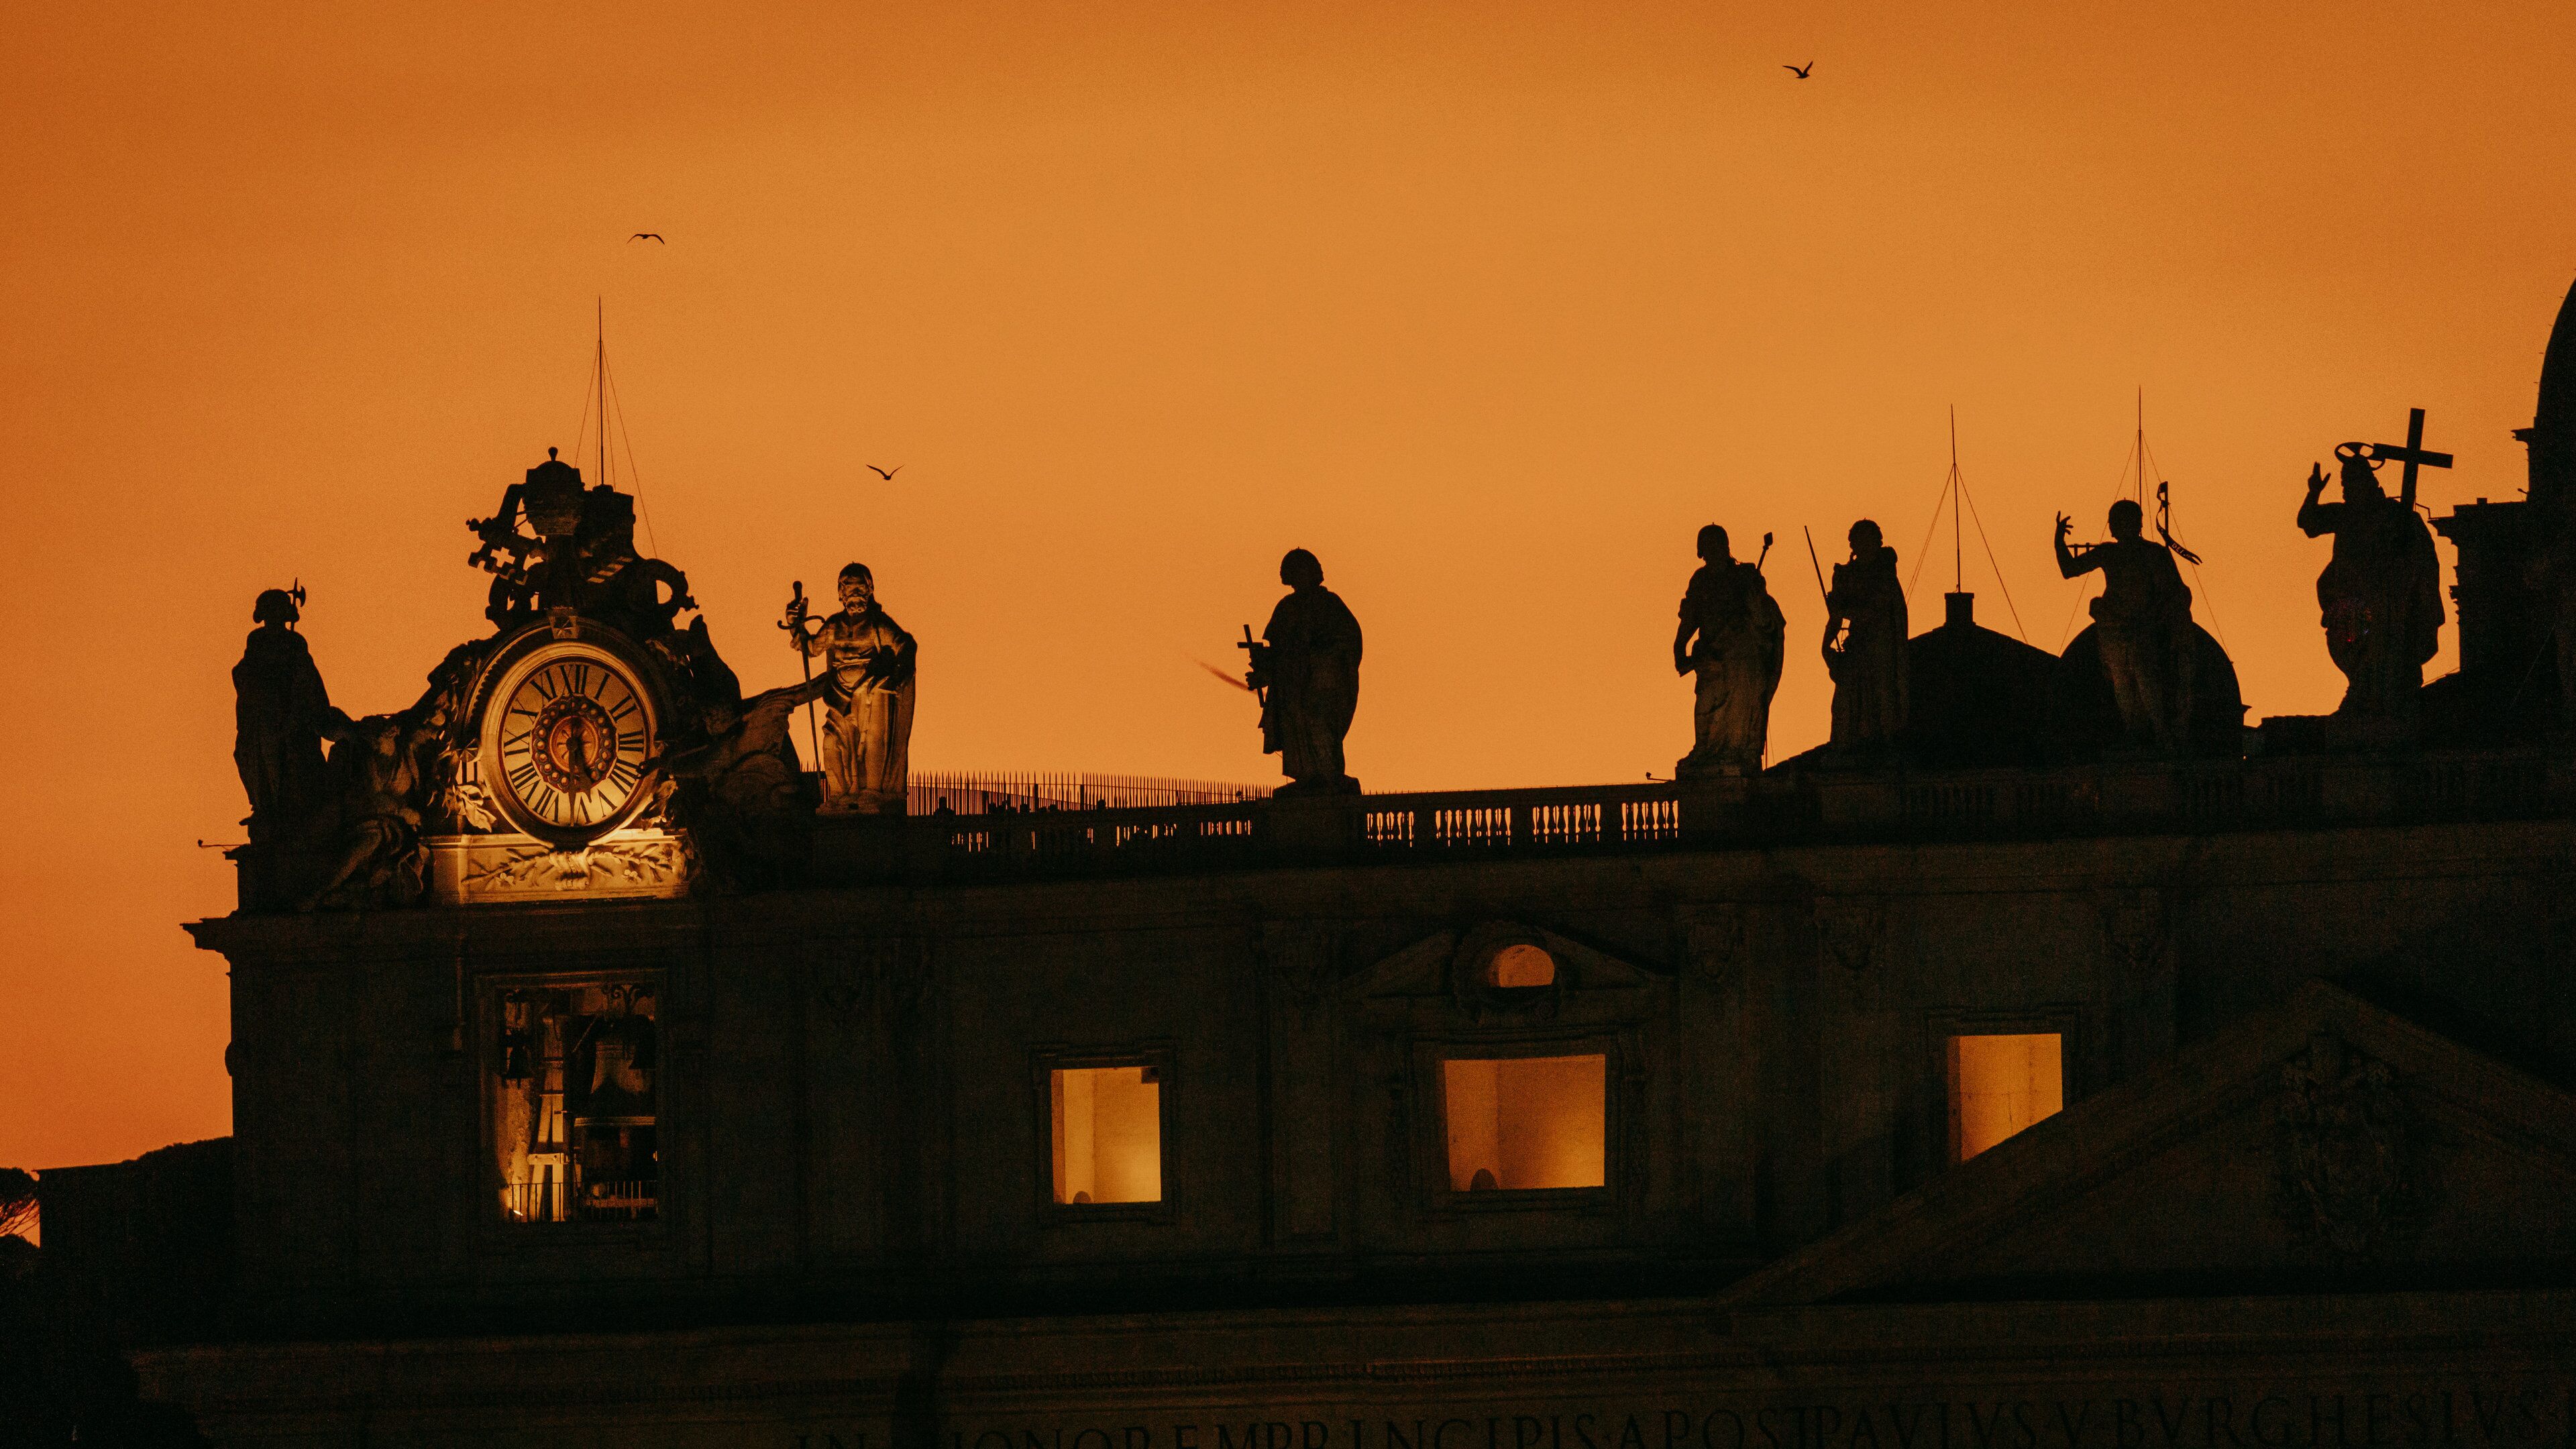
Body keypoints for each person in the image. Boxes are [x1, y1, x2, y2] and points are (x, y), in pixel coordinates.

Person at [2298, 447, 2443, 737]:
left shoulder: (2395, 516)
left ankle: (2378, 697)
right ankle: (2363, 692)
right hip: (2349, 601)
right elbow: (2309, 523)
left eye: (2350, 483)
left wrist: (2403, 574)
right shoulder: (2346, 514)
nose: (2345, 491)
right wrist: (2313, 492)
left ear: (2368, 483)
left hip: (2387, 601)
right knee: (2352, 644)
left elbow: (2422, 559)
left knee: (2381, 645)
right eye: (2343, 485)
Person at [2056, 499, 2195, 753]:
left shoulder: (2153, 554)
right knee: (2122, 683)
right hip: (2116, 631)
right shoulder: (2110, 553)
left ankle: (2160, 734)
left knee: (2145, 679)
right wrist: (2058, 542)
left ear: (2134, 523)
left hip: (2144, 630)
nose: (2112, 526)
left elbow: (2176, 593)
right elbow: (2070, 569)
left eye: (2116, 520)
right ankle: (2136, 732)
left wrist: (2154, 620)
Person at [786, 563, 917, 814]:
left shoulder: (877, 624)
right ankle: (838, 796)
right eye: (849, 587)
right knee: (831, 744)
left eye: (860, 587)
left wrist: (896, 678)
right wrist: (796, 625)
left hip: (871, 693)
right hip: (840, 697)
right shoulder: (835, 626)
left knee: (873, 742)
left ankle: (872, 794)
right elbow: (810, 648)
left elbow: (906, 645)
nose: (855, 593)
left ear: (869, 590)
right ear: (841, 593)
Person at [1244, 548, 1363, 792]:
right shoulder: (1286, 608)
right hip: (1294, 686)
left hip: (1322, 682)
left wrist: (1320, 656)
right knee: (1296, 726)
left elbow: (1349, 643)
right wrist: (1263, 668)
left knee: (1319, 724)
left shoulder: (1329, 604)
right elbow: (1278, 652)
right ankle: (1308, 776)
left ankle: (1329, 775)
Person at [232, 588, 346, 841]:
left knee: (285, 761)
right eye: (269, 612)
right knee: (248, 756)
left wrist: (294, 702)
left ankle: (277, 808)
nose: (274, 618)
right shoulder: (257, 640)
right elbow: (246, 672)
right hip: (264, 713)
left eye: (278, 612)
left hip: (291, 712)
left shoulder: (296, 642)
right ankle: (263, 805)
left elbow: (305, 677)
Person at [1674, 524, 1786, 775]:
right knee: (1705, 703)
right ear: (1701, 552)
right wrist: (1679, 648)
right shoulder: (1701, 580)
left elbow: (1764, 617)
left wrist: (1752, 600)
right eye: (1708, 547)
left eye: (1718, 546)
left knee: (1736, 709)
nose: (1713, 552)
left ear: (1726, 547)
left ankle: (1734, 752)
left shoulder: (1745, 576)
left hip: (1742, 657)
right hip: (1712, 654)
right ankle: (1705, 749)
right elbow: (1691, 617)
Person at [1823, 519, 1909, 749]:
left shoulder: (1884, 576)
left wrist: (1843, 610)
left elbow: (1875, 610)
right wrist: (1825, 645)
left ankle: (1884, 743)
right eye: (1857, 541)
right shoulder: (1846, 574)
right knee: (1845, 699)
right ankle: (1848, 743)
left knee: (1882, 695)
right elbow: (1836, 618)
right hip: (1857, 645)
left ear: (1877, 543)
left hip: (1881, 646)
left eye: (1866, 540)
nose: (1861, 546)